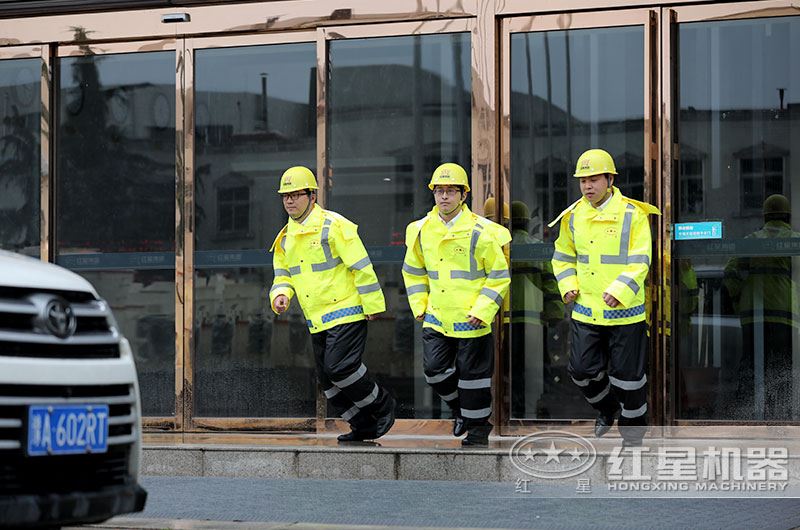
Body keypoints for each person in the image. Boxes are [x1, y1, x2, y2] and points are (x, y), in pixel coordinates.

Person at [268, 166, 395, 442]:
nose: (290, 201)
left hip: (346, 310)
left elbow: (361, 266)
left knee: (340, 368)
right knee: (327, 379)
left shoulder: (334, 225)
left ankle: (382, 405)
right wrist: (281, 296)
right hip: (317, 318)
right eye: (285, 196)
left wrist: (373, 305)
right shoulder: (286, 238)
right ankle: (363, 426)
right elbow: (284, 275)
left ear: (312, 196)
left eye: (296, 195)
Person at [549, 148, 660, 447]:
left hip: (626, 312)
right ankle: (607, 407)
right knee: (581, 371)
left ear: (610, 179)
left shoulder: (632, 214)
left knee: (629, 379)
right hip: (586, 311)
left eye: (594, 179)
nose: (587, 186)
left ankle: (633, 438)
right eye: (582, 180)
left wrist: (619, 291)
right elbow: (562, 257)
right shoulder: (572, 216)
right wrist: (568, 284)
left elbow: (641, 259)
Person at [402, 163, 511, 446]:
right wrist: (419, 305)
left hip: (471, 318)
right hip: (436, 316)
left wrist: (483, 311)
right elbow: (413, 271)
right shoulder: (421, 230)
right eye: (440, 191)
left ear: (463, 195)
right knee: (435, 372)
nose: (444, 197)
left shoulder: (481, 231)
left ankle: (477, 432)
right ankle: (460, 410)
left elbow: (499, 276)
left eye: (451, 191)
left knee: (473, 381)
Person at [723, 193, 799, 420]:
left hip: (753, 316)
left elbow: (730, 272)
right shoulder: (794, 239)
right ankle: (783, 414)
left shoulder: (751, 240)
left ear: (765, 216)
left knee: (752, 366)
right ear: (787, 215)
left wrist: (739, 300)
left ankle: (748, 413)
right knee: (782, 366)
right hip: (785, 315)